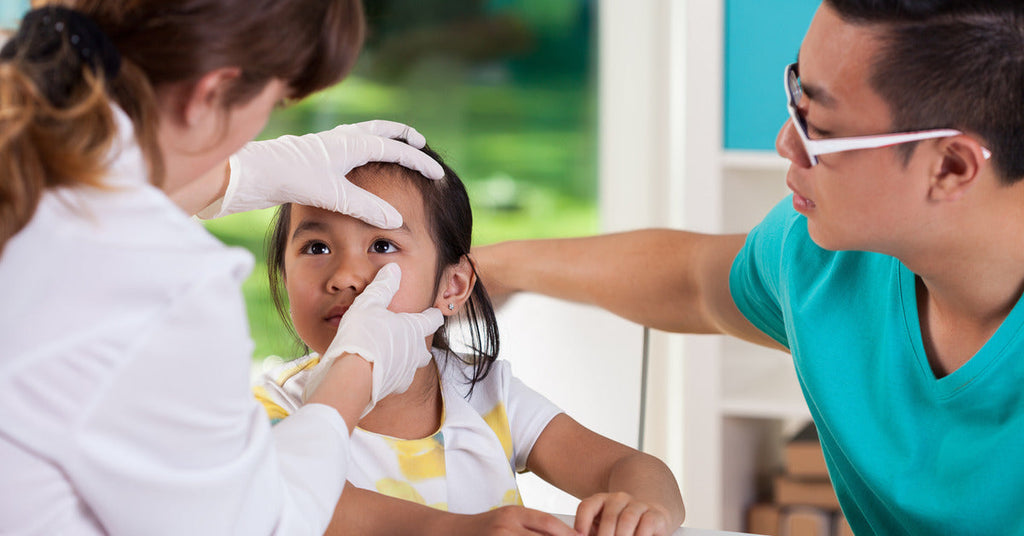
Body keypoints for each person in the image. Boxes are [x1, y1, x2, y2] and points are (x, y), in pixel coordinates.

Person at [472, 1, 1024, 534]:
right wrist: (498, 267)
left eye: (821, 129)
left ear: (950, 167)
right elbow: (691, 280)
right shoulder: (820, 260)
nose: (786, 142)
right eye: (795, 98)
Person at [0, 2, 447, 534]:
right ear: (211, 93)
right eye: (278, 99)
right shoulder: (164, 286)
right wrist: (356, 373)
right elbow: (259, 526)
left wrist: (239, 174)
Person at [253, 146, 686, 535]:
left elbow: (633, 467)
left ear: (453, 286)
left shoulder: (485, 394)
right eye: (315, 248)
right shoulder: (271, 409)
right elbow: (305, 502)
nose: (345, 277)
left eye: (383, 245)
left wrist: (641, 508)